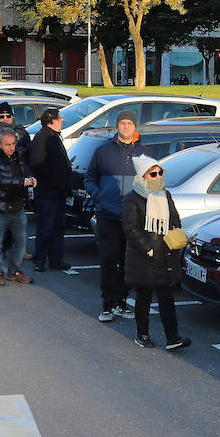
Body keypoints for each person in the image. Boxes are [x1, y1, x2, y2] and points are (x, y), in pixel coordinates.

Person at [122, 154, 191, 351]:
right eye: (154, 174)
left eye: (161, 173)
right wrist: (149, 249)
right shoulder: (132, 199)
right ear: (143, 176)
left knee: (167, 297)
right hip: (145, 257)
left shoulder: (165, 194)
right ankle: (142, 335)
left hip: (166, 254)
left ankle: (173, 337)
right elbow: (130, 229)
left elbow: (175, 219)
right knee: (143, 298)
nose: (159, 176)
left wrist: (175, 234)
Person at [84, 110, 146, 323]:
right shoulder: (103, 151)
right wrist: (98, 194)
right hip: (107, 214)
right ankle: (107, 304)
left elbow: (154, 184)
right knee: (108, 261)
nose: (126, 127)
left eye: (130, 123)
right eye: (123, 123)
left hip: (132, 217)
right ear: (117, 126)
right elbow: (89, 177)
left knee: (127, 261)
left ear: (135, 126)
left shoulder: (144, 153)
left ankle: (122, 301)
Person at [0, 126, 37, 285]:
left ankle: (15, 271)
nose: (12, 147)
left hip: (17, 205)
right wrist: (21, 182)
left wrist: (31, 178)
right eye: (8, 144)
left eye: (13, 143)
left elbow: (25, 171)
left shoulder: (18, 155)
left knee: (21, 242)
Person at [29, 107, 72, 272]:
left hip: (58, 192)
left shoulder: (53, 136)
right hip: (48, 192)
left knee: (58, 227)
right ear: (51, 121)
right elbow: (38, 164)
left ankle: (56, 259)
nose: (62, 122)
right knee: (46, 227)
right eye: (60, 119)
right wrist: (57, 177)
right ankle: (39, 259)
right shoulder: (43, 137)